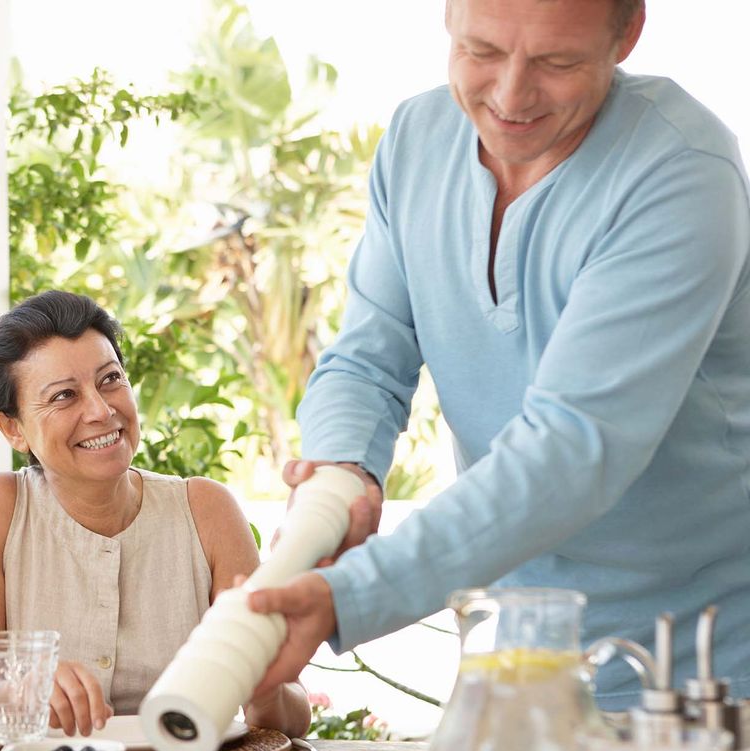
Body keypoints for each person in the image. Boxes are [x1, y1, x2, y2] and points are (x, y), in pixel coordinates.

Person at [249, 0, 750, 710]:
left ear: (627, 33)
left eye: (557, 62)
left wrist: (351, 594)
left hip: (701, 671)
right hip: (514, 658)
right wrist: (342, 473)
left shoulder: (681, 171)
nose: (511, 96)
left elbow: (573, 450)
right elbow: (367, 358)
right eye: (481, 50)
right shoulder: (417, 138)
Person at [0, 291, 311, 749]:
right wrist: (20, 698)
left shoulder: (207, 510)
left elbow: (290, 713)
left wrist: (262, 683)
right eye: (64, 396)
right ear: (12, 428)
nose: (100, 410)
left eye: (110, 379)